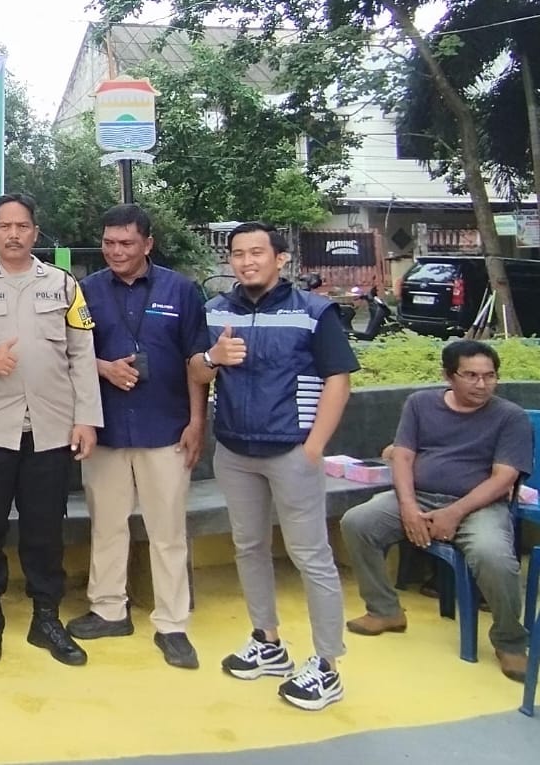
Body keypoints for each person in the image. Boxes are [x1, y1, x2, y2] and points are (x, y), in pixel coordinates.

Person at [203, 221, 357, 712]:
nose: (246, 261)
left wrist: (314, 448)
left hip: (292, 450)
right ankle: (267, 641)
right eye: (238, 254)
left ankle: (327, 665)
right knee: (248, 547)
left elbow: (338, 380)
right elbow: (195, 370)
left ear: (280, 258)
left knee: (310, 555)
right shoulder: (215, 311)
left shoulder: (313, 311)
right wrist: (212, 355)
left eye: (257, 252)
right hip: (235, 450)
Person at [0, 192, 100, 667]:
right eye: (4, 226)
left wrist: (86, 418)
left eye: (22, 226)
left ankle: (46, 617)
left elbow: (82, 353)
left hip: (51, 429)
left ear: (35, 232)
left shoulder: (63, 285)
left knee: (44, 529)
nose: (13, 234)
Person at [339, 339, 532, 682]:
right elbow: (402, 456)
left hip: (479, 506)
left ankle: (510, 641)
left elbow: (504, 478)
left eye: (489, 376)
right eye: (471, 375)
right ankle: (385, 610)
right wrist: (409, 507)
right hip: (421, 497)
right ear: (448, 376)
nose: (481, 384)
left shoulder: (509, 416)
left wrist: (454, 513)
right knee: (358, 523)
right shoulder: (420, 404)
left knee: (494, 556)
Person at [68, 204, 209, 669]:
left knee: (167, 532)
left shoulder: (181, 290)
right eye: (109, 243)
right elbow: (69, 353)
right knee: (106, 525)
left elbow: (196, 362)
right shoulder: (86, 291)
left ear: (148, 244)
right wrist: (103, 368)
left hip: (165, 428)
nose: (116, 251)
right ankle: (109, 610)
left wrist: (197, 422)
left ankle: (172, 624)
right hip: (106, 429)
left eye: (126, 243)